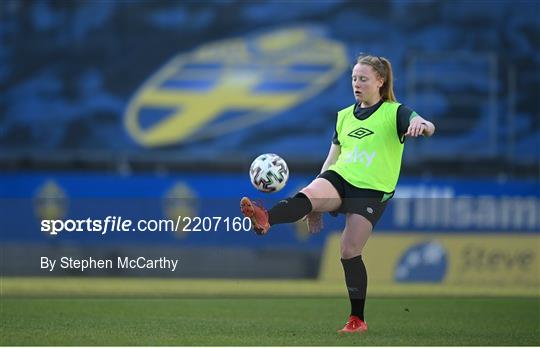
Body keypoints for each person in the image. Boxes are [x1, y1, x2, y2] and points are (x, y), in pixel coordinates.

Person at [240, 54, 436, 334]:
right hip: (340, 177)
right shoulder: (344, 116)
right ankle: (265, 217)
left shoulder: (395, 112)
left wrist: (422, 126)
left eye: (363, 79)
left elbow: (428, 126)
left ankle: (357, 319)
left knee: (348, 251)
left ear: (380, 81)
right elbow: (330, 162)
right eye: (354, 78)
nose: (356, 83)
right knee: (307, 194)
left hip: (371, 190)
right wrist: (316, 205)